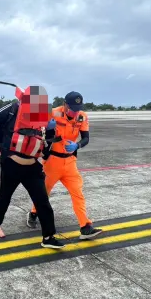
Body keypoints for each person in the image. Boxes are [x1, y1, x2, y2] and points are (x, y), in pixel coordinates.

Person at [0, 86, 65, 249]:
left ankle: (48, 237)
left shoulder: (43, 116)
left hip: (32, 168)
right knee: (5, 196)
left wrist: (49, 137)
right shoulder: (13, 109)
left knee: (42, 201)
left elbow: (47, 143)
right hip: (11, 164)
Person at [26, 91, 103, 240]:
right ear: (65, 104)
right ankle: (34, 213)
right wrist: (48, 128)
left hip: (70, 162)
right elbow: (33, 128)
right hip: (52, 161)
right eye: (73, 108)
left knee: (78, 193)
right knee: (44, 192)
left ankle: (85, 227)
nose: (75, 112)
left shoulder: (82, 116)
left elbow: (86, 138)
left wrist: (77, 145)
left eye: (78, 108)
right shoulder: (52, 113)